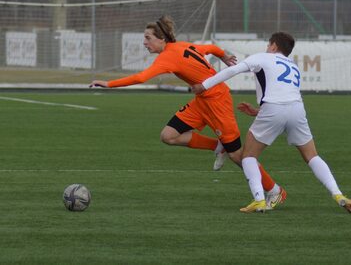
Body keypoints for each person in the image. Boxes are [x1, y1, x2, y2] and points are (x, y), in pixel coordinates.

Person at [89, 15, 285, 209]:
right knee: (168, 135)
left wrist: (108, 84)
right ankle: (218, 147)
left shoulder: (167, 56)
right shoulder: (182, 46)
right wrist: (223, 55)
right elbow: (209, 48)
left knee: (238, 156)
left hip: (218, 101)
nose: (144, 43)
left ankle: (275, 190)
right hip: (202, 101)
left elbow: (141, 77)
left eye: (148, 38)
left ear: (161, 39)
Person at [191, 32, 351, 214]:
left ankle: (259, 200)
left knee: (248, 156)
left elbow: (233, 70)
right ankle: (338, 194)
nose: (266, 48)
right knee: (312, 156)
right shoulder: (293, 66)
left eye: (268, 45)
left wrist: (204, 85)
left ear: (273, 46)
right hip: (297, 109)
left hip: (273, 108)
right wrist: (258, 111)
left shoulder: (263, 57)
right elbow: (284, 95)